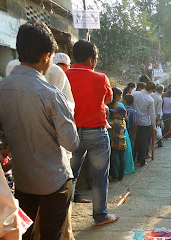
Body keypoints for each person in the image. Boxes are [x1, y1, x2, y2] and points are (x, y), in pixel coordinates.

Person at [0, 21, 80, 240]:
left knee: (24, 233)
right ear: (46, 57)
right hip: (54, 178)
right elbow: (71, 143)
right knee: (51, 235)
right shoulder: (51, 94)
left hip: (21, 178)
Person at [66, 39, 119, 226]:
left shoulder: (64, 76)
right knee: (99, 176)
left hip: (70, 133)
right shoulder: (100, 78)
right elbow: (108, 99)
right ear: (90, 59)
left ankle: (64, 218)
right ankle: (100, 216)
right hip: (96, 132)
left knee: (69, 175)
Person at [134, 81, 157, 166]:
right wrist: (154, 127)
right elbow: (152, 114)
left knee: (136, 140)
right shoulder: (150, 99)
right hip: (145, 123)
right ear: (151, 90)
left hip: (135, 121)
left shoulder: (136, 94)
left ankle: (135, 159)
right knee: (144, 143)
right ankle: (142, 160)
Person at [109, 106, 127, 182]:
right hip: (123, 144)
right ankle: (120, 176)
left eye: (116, 113)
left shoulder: (116, 122)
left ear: (120, 115)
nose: (114, 114)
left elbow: (108, 126)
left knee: (112, 160)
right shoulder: (123, 121)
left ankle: (114, 176)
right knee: (122, 160)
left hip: (116, 144)